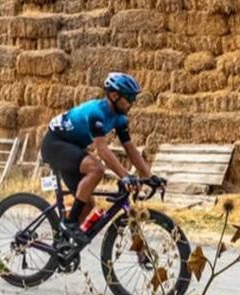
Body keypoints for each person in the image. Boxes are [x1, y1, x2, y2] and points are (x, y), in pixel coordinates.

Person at [41, 72, 156, 244]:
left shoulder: (120, 118)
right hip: (55, 144)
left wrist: (150, 177)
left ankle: (62, 244)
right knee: (96, 168)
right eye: (129, 97)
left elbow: (131, 149)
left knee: (87, 205)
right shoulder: (97, 113)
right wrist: (125, 176)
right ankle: (70, 223)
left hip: (72, 147)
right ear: (114, 96)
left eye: (134, 98)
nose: (132, 102)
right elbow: (102, 151)